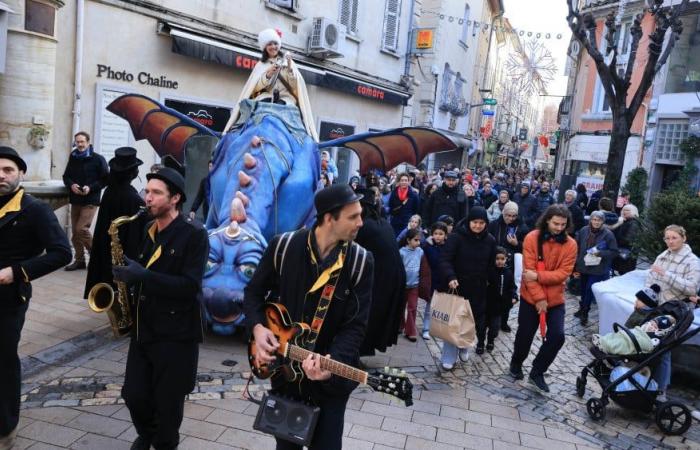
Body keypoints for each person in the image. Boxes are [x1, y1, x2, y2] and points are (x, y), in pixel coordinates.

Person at [243, 184, 374, 450]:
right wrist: (258, 328)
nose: (361, 222)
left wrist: (331, 365)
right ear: (329, 218)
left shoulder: (361, 261)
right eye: (353, 217)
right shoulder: (283, 246)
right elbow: (253, 293)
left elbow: (355, 326)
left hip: (330, 382)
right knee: (286, 447)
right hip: (285, 375)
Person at [113, 167, 209, 450]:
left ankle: (162, 442)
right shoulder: (147, 228)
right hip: (145, 328)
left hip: (176, 334)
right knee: (133, 395)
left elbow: (190, 286)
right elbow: (146, 270)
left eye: (156, 193)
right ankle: (148, 434)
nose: (148, 198)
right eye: (147, 191)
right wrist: (125, 278)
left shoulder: (194, 235)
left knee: (168, 405)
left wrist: (144, 276)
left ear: (175, 198)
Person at [0, 147, 71, 449]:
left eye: (7, 170)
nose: (1, 176)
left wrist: (15, 271)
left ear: (21, 174)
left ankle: (5, 429)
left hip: (8, 297)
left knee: (3, 363)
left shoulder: (35, 209)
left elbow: (62, 253)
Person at [626, 225, 700, 402]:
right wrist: (644, 297)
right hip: (658, 307)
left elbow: (691, 288)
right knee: (641, 335)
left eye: (674, 237)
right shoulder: (663, 256)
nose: (670, 241)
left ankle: (661, 390)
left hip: (677, 310)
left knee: (664, 348)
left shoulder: (692, 261)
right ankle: (634, 373)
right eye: (667, 238)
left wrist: (666, 275)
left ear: (684, 238)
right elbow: (651, 280)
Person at [509, 205, 577, 393]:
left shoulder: (571, 244)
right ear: (547, 220)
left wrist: (539, 276)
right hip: (531, 297)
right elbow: (527, 272)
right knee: (525, 334)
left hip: (556, 299)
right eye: (556, 223)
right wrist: (539, 298)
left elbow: (563, 273)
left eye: (563, 224)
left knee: (557, 336)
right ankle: (516, 362)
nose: (559, 228)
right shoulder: (532, 238)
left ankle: (537, 371)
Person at [224, 28, 317, 141]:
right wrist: (268, 74)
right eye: (270, 44)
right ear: (265, 47)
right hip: (265, 97)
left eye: (275, 43)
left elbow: (295, 85)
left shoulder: (289, 62)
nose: (273, 47)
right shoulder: (260, 65)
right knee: (253, 114)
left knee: (291, 116)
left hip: (286, 99)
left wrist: (289, 69)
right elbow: (255, 88)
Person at [84, 147, 147, 299]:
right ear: (132, 173)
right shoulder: (134, 199)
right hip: (124, 252)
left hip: (107, 249)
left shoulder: (109, 191)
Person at [440, 206, 496, 366]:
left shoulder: (490, 240)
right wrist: (450, 276)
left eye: (481, 223)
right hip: (457, 286)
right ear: (469, 221)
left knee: (470, 322)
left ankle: (463, 346)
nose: (478, 226)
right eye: (475, 222)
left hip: (478, 288)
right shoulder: (457, 237)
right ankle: (449, 356)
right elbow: (445, 259)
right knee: (453, 323)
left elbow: (492, 264)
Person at [356, 188, 406, 357]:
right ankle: (363, 349)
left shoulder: (364, 226)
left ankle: (358, 352)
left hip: (384, 278)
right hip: (391, 275)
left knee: (370, 313)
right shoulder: (381, 221)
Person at [62, 131, 109, 270]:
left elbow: (105, 179)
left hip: (91, 199)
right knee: (75, 233)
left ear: (88, 142)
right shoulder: (73, 156)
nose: (80, 144)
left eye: (82, 142)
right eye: (78, 142)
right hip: (76, 199)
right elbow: (66, 176)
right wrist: (72, 185)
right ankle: (80, 260)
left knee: (81, 229)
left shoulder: (98, 159)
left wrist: (91, 187)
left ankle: (97, 258)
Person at [487, 201, 527, 332]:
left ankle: (504, 321)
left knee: (507, 293)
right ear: (503, 213)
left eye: (514, 216)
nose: (510, 218)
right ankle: (491, 318)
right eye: (508, 215)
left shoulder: (522, 227)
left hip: (510, 266)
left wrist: (517, 244)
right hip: (494, 264)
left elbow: (527, 247)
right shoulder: (494, 224)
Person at [573, 211, 618, 326]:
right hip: (584, 266)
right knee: (583, 289)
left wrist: (600, 253)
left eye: (599, 220)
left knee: (589, 290)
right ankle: (582, 308)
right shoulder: (584, 230)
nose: (596, 222)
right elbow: (576, 245)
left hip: (598, 268)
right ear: (590, 220)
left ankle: (585, 313)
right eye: (594, 219)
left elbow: (614, 252)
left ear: (603, 221)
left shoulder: (608, 234)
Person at [399, 228, 430, 342]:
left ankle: (410, 331)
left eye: (419, 240)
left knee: (412, 308)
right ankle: (400, 325)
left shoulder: (420, 252)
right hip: (403, 285)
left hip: (414, 285)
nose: (418, 242)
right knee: (401, 307)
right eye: (416, 240)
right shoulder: (401, 252)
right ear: (408, 240)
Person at [420, 221, 449, 340]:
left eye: (441, 234)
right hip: (431, 279)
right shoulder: (427, 246)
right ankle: (426, 328)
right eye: (436, 233)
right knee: (429, 305)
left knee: (440, 306)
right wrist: (426, 242)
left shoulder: (448, 247)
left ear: (445, 235)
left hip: (443, 279)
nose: (438, 236)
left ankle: (437, 327)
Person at [485, 247, 517, 352]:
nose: (499, 261)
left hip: (500, 306)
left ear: (506, 259)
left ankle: (490, 340)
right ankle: (480, 342)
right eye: (497, 259)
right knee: (481, 326)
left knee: (495, 327)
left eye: (502, 259)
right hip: (487, 304)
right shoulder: (489, 271)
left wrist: (514, 296)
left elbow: (512, 286)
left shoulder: (508, 273)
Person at [611, 204, 641, 275]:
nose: (624, 211)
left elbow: (628, 240)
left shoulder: (634, 223)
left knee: (624, 274)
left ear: (633, 212)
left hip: (627, 255)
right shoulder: (624, 221)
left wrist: (615, 239)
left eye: (627, 210)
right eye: (623, 210)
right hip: (622, 254)